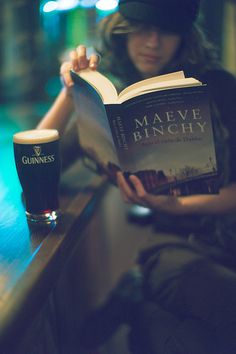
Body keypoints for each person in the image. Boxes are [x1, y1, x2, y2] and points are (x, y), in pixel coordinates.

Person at [37, 0, 236, 353]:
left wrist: (174, 204)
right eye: (142, 28)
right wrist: (69, 93)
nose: (153, 42)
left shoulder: (221, 88)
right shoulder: (107, 97)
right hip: (176, 247)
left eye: (167, 30)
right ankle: (138, 295)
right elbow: (41, 161)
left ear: (185, 36)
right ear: (121, 29)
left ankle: (135, 298)